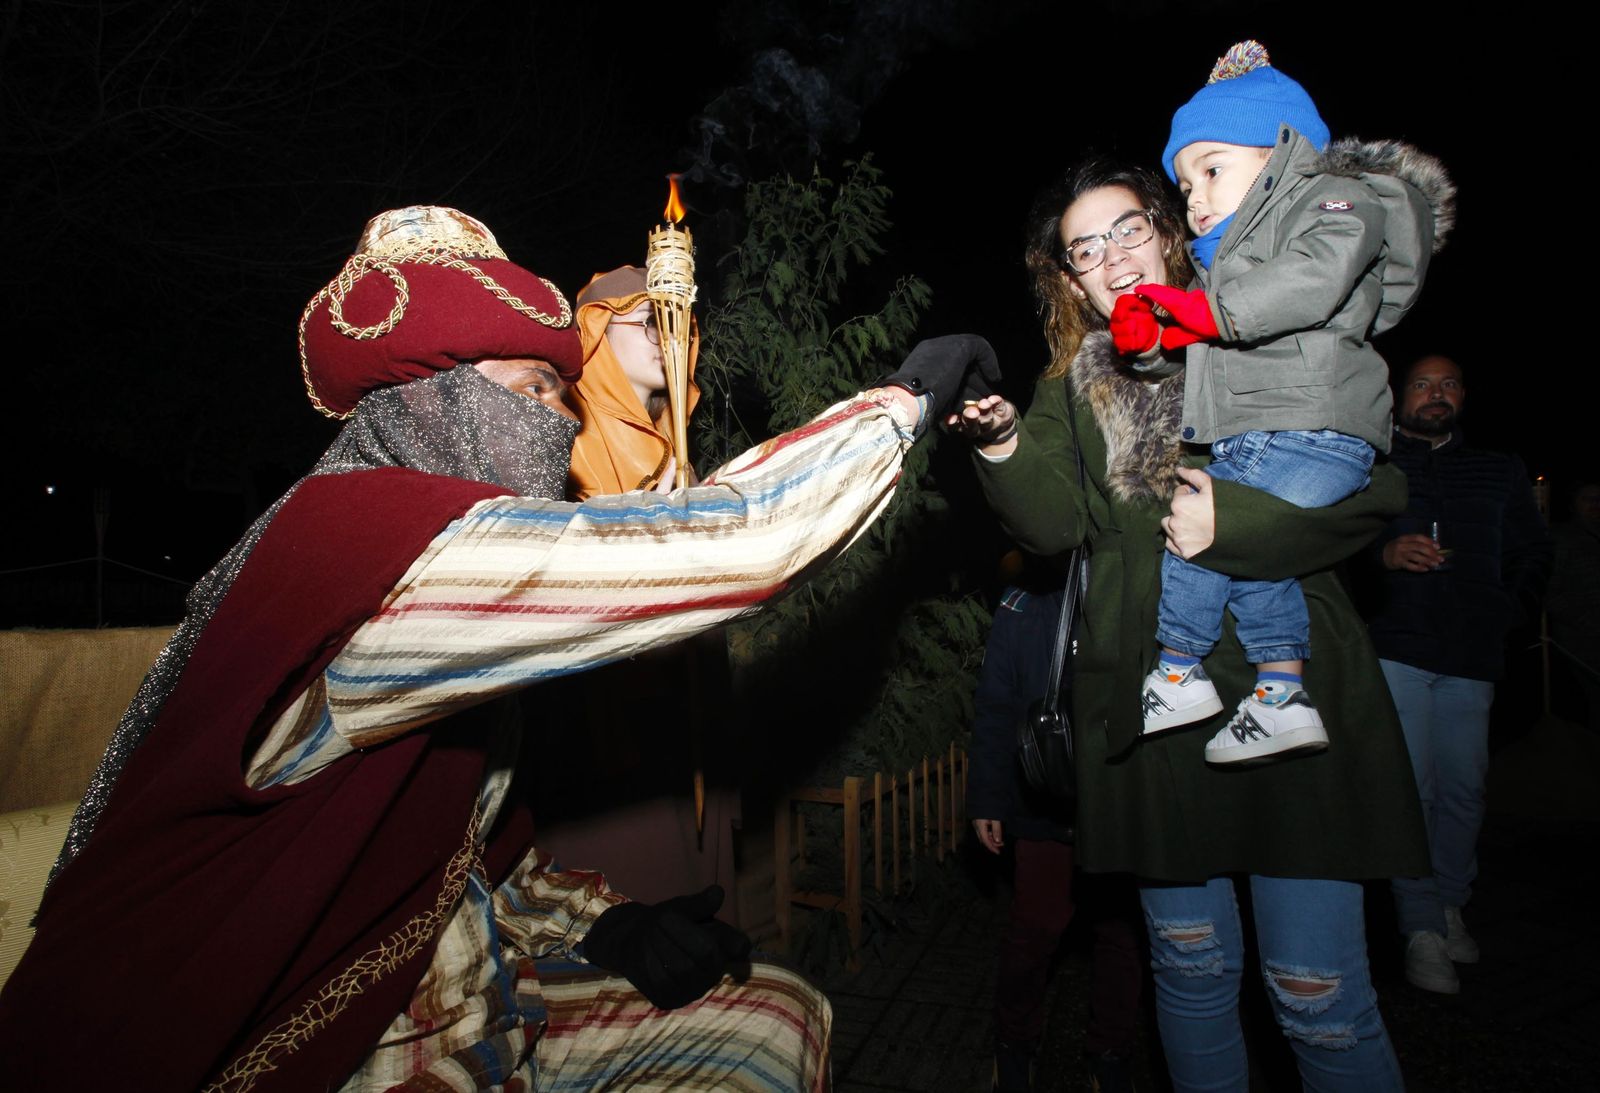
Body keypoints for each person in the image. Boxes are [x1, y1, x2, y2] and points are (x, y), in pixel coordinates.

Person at [0, 205, 998, 1093]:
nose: (555, 427)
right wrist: (900, 403)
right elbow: (742, 541)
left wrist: (600, 925)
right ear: (441, 396)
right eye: (532, 390)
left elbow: (440, 853)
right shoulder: (369, 551)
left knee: (771, 1025)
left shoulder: (404, 551)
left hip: (466, 1001)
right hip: (321, 1046)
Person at [950, 157, 1429, 1091]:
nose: (1112, 258)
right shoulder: (1070, 383)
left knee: (1315, 990)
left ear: (1170, 232)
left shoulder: (1264, 324)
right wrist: (1005, 442)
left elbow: (1376, 486)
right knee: (1193, 974)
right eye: (1083, 249)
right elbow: (1052, 525)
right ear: (1070, 278)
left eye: (1128, 228)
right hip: (1152, 702)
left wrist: (1236, 526)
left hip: (1284, 687)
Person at [1109, 41, 1453, 766]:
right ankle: (1279, 692)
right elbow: (1203, 337)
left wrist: (1197, 311)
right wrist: (1147, 340)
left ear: (1280, 153)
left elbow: (1308, 282)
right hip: (1266, 431)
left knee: (1198, 532)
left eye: (1211, 169)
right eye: (1183, 182)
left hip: (1311, 427)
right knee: (1248, 554)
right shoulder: (1228, 265)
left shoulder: (1336, 201)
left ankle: (1177, 669)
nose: (1193, 197)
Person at [1363, 354, 1552, 995]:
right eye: (1423, 384)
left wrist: (1507, 612)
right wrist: (1380, 556)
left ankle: (1448, 904)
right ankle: (1418, 926)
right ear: (1400, 396)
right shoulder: (1373, 465)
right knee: (1411, 789)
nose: (1435, 394)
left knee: (1465, 789)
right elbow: (1337, 545)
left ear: (1463, 395)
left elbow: (1532, 550)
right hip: (1397, 646)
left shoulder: (1498, 469)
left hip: (1473, 653)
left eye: (1447, 384)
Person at [967, 559, 1143, 1093]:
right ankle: (1014, 1044)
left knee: (1124, 938)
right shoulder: (1024, 599)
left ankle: (1109, 1052)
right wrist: (987, 797)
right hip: (1044, 797)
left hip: (1122, 795)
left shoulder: (1139, 576)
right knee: (1034, 932)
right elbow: (996, 704)